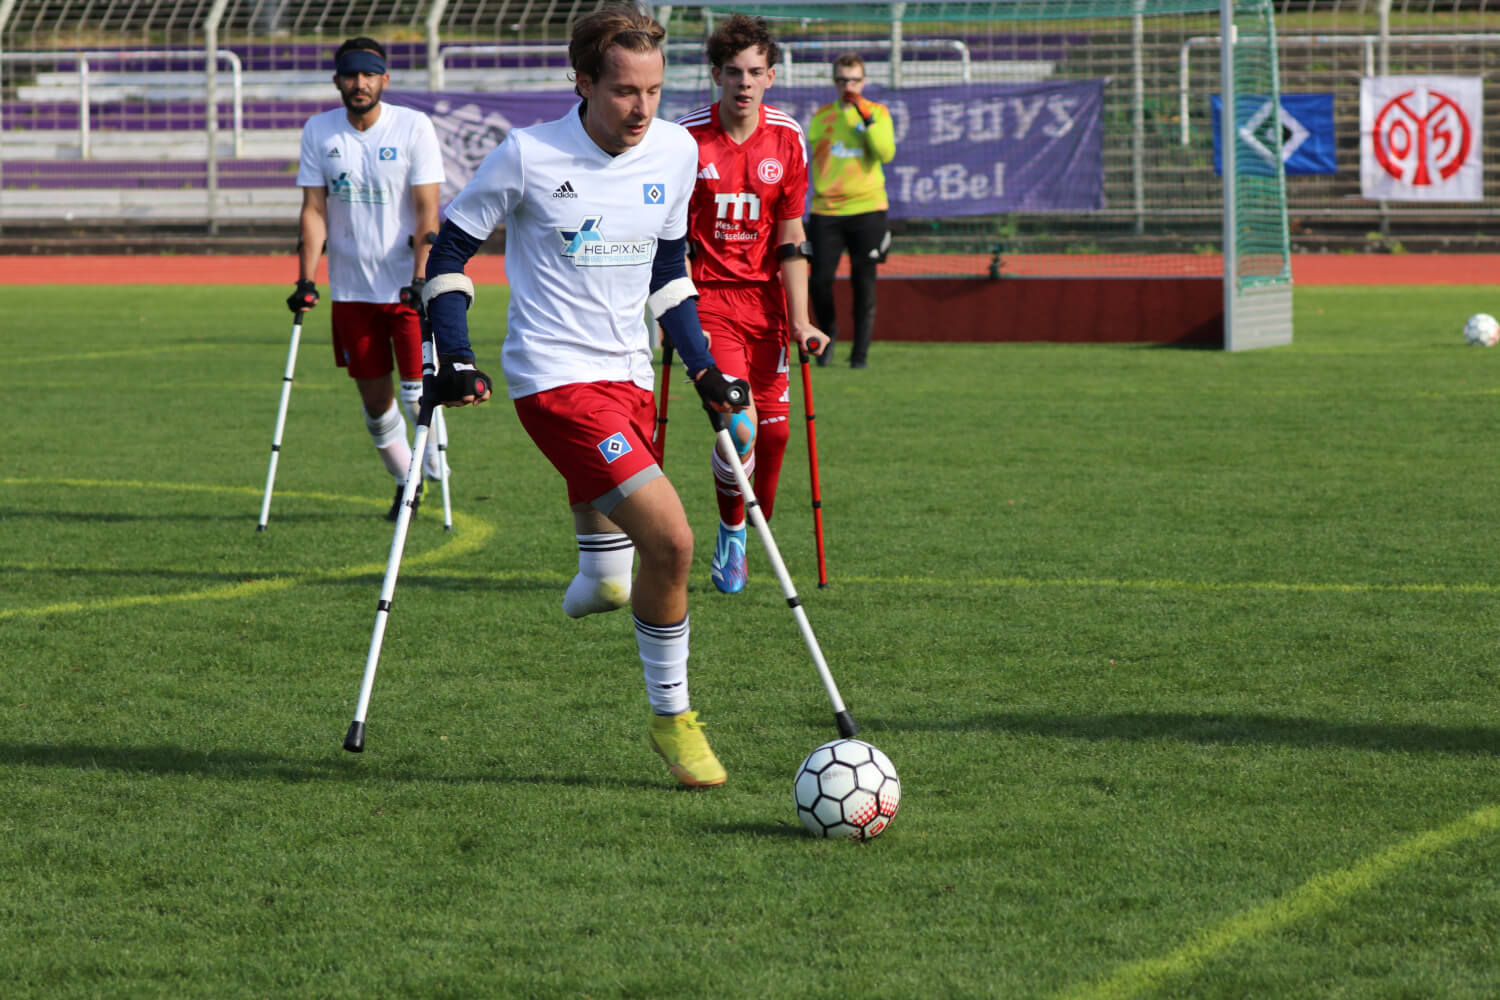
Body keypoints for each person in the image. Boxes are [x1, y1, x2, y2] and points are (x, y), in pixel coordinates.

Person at [420, 3, 749, 788]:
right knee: (671, 541)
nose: (642, 110)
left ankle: (597, 577)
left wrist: (702, 365)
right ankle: (673, 721)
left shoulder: (674, 151)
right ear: (584, 83)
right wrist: (456, 354)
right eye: (625, 91)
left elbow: (668, 271)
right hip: (556, 380)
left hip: (630, 373)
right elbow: (448, 253)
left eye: (655, 91)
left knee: (613, 578)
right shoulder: (528, 155)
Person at [677, 14, 827, 595]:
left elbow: (791, 235)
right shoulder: (686, 139)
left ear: (771, 76)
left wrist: (802, 320)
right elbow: (670, 235)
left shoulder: (787, 137)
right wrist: (671, 312)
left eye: (755, 72)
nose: (744, 82)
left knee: (776, 436)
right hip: (709, 299)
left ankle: (752, 521)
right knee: (739, 427)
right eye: (734, 72)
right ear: (716, 74)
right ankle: (733, 530)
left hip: (766, 303)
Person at [290, 36, 447, 521]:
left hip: (405, 288)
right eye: (351, 75)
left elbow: (427, 210)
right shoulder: (320, 131)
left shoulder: (413, 127)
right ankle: (408, 481)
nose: (360, 83)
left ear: (384, 79)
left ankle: (427, 466)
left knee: (417, 394)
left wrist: (421, 276)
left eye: (369, 75)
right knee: (376, 406)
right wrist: (306, 279)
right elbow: (314, 209)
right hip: (352, 290)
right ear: (337, 80)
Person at [806, 52, 896, 370]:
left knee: (864, 284)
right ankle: (828, 332)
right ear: (835, 82)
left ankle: (859, 355)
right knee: (819, 281)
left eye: (855, 80)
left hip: (867, 208)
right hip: (827, 210)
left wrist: (865, 118)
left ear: (864, 81)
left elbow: (885, 152)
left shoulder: (877, 113)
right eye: (843, 80)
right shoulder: (822, 116)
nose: (849, 86)